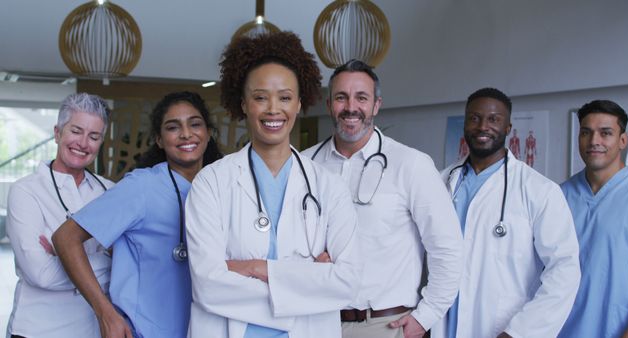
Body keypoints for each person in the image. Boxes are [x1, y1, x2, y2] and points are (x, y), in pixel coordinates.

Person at [185, 32, 361, 338]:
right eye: (260, 97)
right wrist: (309, 280)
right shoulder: (211, 183)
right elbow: (207, 284)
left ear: (299, 104)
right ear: (243, 104)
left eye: (284, 97)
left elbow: (348, 282)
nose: (273, 109)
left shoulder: (328, 187)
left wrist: (253, 268)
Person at [303, 59, 463, 338]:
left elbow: (447, 248)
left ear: (376, 105)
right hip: (318, 323)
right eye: (341, 97)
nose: (351, 107)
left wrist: (425, 317)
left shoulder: (411, 164)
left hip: (385, 326)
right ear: (329, 104)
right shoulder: (305, 165)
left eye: (361, 98)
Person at [52, 91, 223, 338]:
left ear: (207, 133)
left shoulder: (220, 186)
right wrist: (106, 314)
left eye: (195, 124)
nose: (186, 134)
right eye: (173, 127)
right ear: (159, 140)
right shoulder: (142, 187)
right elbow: (65, 238)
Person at [434, 87, 581, 338]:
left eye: (493, 119)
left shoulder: (539, 190)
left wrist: (521, 332)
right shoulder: (439, 182)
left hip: (501, 328)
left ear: (508, 128)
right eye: (474, 118)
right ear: (465, 123)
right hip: (442, 324)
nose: (483, 126)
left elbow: (564, 270)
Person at [5, 93, 113, 338]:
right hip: (37, 330)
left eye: (94, 136)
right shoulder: (25, 192)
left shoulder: (110, 191)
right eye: (76, 131)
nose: (83, 143)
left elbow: (131, 262)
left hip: (92, 330)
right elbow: (41, 275)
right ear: (57, 133)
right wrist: (107, 259)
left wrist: (65, 255)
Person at [558, 100, 628, 338]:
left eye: (605, 133)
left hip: (620, 330)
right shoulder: (558, 196)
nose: (594, 141)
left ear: (623, 140)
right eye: (586, 132)